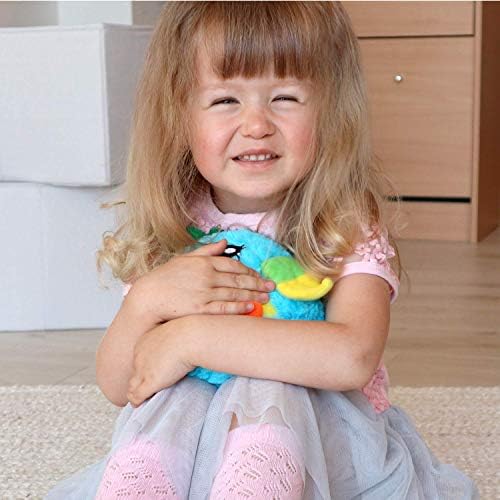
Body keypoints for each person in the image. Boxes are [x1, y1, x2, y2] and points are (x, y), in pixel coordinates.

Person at [45, 2, 479, 499]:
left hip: (317, 452)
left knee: (272, 387)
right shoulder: (177, 223)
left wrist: (191, 339)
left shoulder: (343, 221)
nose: (256, 124)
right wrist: (145, 302)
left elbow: (353, 356)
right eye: (225, 99)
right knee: (172, 402)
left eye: (285, 97)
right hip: (192, 455)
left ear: (330, 109)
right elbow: (120, 384)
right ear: (179, 115)